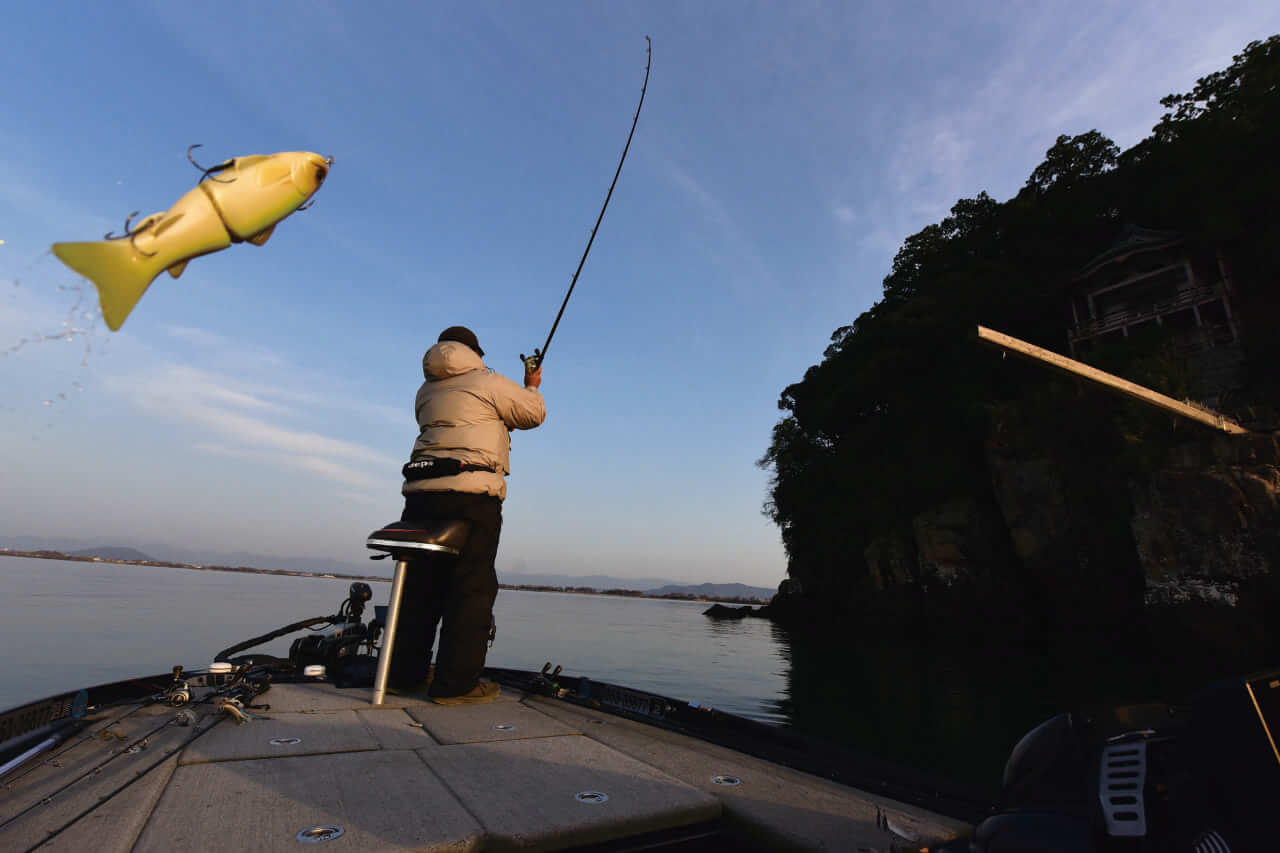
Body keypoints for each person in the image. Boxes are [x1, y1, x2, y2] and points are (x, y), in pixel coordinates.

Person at [388, 326, 545, 704]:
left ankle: (403, 676)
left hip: (421, 499)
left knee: (420, 589)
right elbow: (533, 414)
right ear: (474, 352)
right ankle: (456, 685)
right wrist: (532, 384)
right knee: (470, 589)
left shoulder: (425, 392)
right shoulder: (487, 381)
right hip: (471, 497)